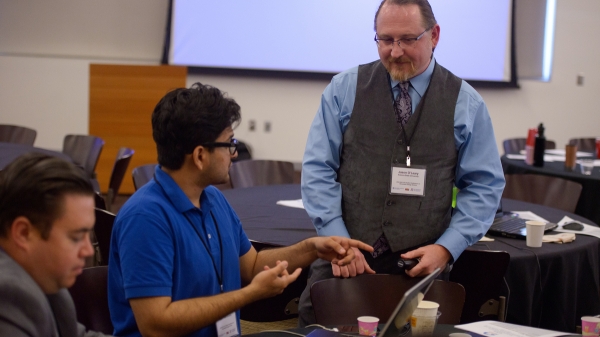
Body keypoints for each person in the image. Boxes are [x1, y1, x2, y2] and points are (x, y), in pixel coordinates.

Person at [107, 82, 373, 337]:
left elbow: (252, 265)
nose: (234, 154)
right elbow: (156, 324)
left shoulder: (212, 198)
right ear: (200, 156)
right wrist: (249, 294)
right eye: (229, 144)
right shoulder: (145, 218)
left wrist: (313, 249)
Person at [298, 0, 505, 325]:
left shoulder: (466, 103)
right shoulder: (343, 89)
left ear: (434, 35)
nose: (395, 52)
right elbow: (317, 169)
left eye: (408, 39)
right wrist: (338, 242)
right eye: (385, 39)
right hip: (346, 257)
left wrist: (446, 249)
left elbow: (483, 186)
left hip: (421, 266)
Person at [0, 153, 111, 337]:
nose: (88, 250)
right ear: (23, 233)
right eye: (75, 237)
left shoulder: (43, 275)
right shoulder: (9, 294)